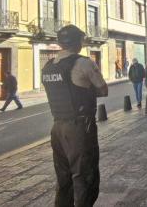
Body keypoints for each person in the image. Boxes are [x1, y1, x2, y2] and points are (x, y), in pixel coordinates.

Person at [41, 25, 108, 206]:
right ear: (78, 42)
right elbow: (103, 89)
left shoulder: (47, 67)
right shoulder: (83, 63)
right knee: (85, 176)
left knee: (64, 179)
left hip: (57, 129)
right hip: (80, 127)